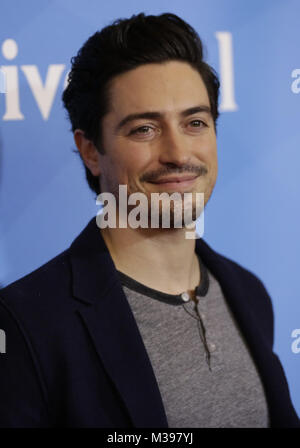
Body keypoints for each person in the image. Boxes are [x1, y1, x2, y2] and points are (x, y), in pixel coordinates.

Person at [0, 12, 299, 428]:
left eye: (195, 122)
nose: (178, 153)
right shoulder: (26, 324)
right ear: (90, 150)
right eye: (144, 129)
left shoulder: (248, 292)